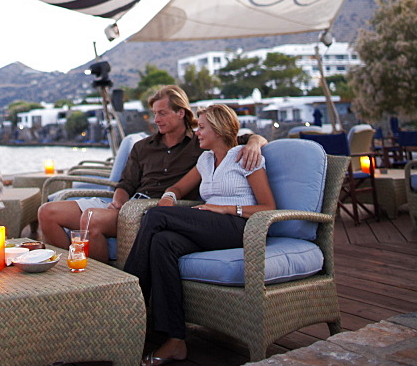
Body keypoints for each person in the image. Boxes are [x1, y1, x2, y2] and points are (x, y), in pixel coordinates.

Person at [123, 102, 275, 366]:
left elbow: (268, 207)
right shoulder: (204, 160)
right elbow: (179, 187)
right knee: (162, 243)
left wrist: (227, 208)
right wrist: (169, 196)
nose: (198, 133)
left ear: (218, 129)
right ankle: (175, 340)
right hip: (209, 225)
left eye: (202, 127)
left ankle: (124, 304)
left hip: (240, 227)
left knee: (155, 217)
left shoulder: (245, 156)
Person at [38, 86, 267, 262]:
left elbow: (239, 137)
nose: (156, 119)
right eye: (154, 113)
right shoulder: (143, 146)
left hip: (157, 210)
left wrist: (255, 143)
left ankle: (101, 285)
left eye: (162, 113)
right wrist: (118, 201)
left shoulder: (202, 144)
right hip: (129, 203)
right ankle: (68, 273)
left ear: (181, 113)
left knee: (91, 218)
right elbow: (126, 183)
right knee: (47, 212)